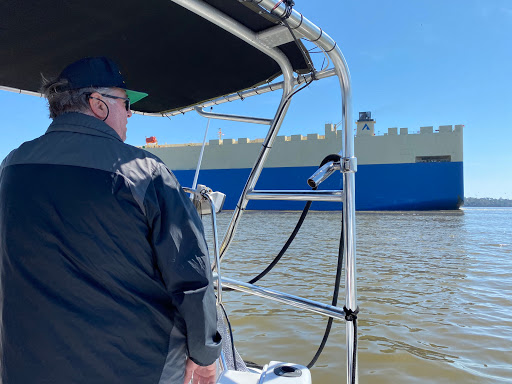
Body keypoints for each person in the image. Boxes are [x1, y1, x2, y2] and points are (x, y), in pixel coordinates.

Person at [0, 57, 221, 384]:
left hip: (26, 366)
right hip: (133, 367)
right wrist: (204, 356)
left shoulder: (11, 166)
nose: (130, 113)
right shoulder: (147, 173)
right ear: (98, 104)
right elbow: (192, 277)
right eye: (126, 102)